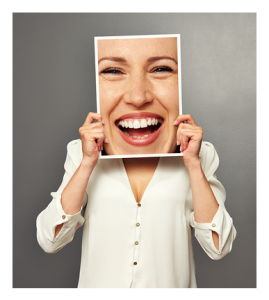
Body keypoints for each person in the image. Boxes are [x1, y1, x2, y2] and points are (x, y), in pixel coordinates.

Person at [36, 37, 236, 288]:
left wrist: (193, 165)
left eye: (161, 69)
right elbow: (50, 240)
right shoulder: (81, 153)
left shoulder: (199, 155)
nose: (138, 96)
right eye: (113, 70)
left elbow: (219, 248)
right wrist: (88, 162)